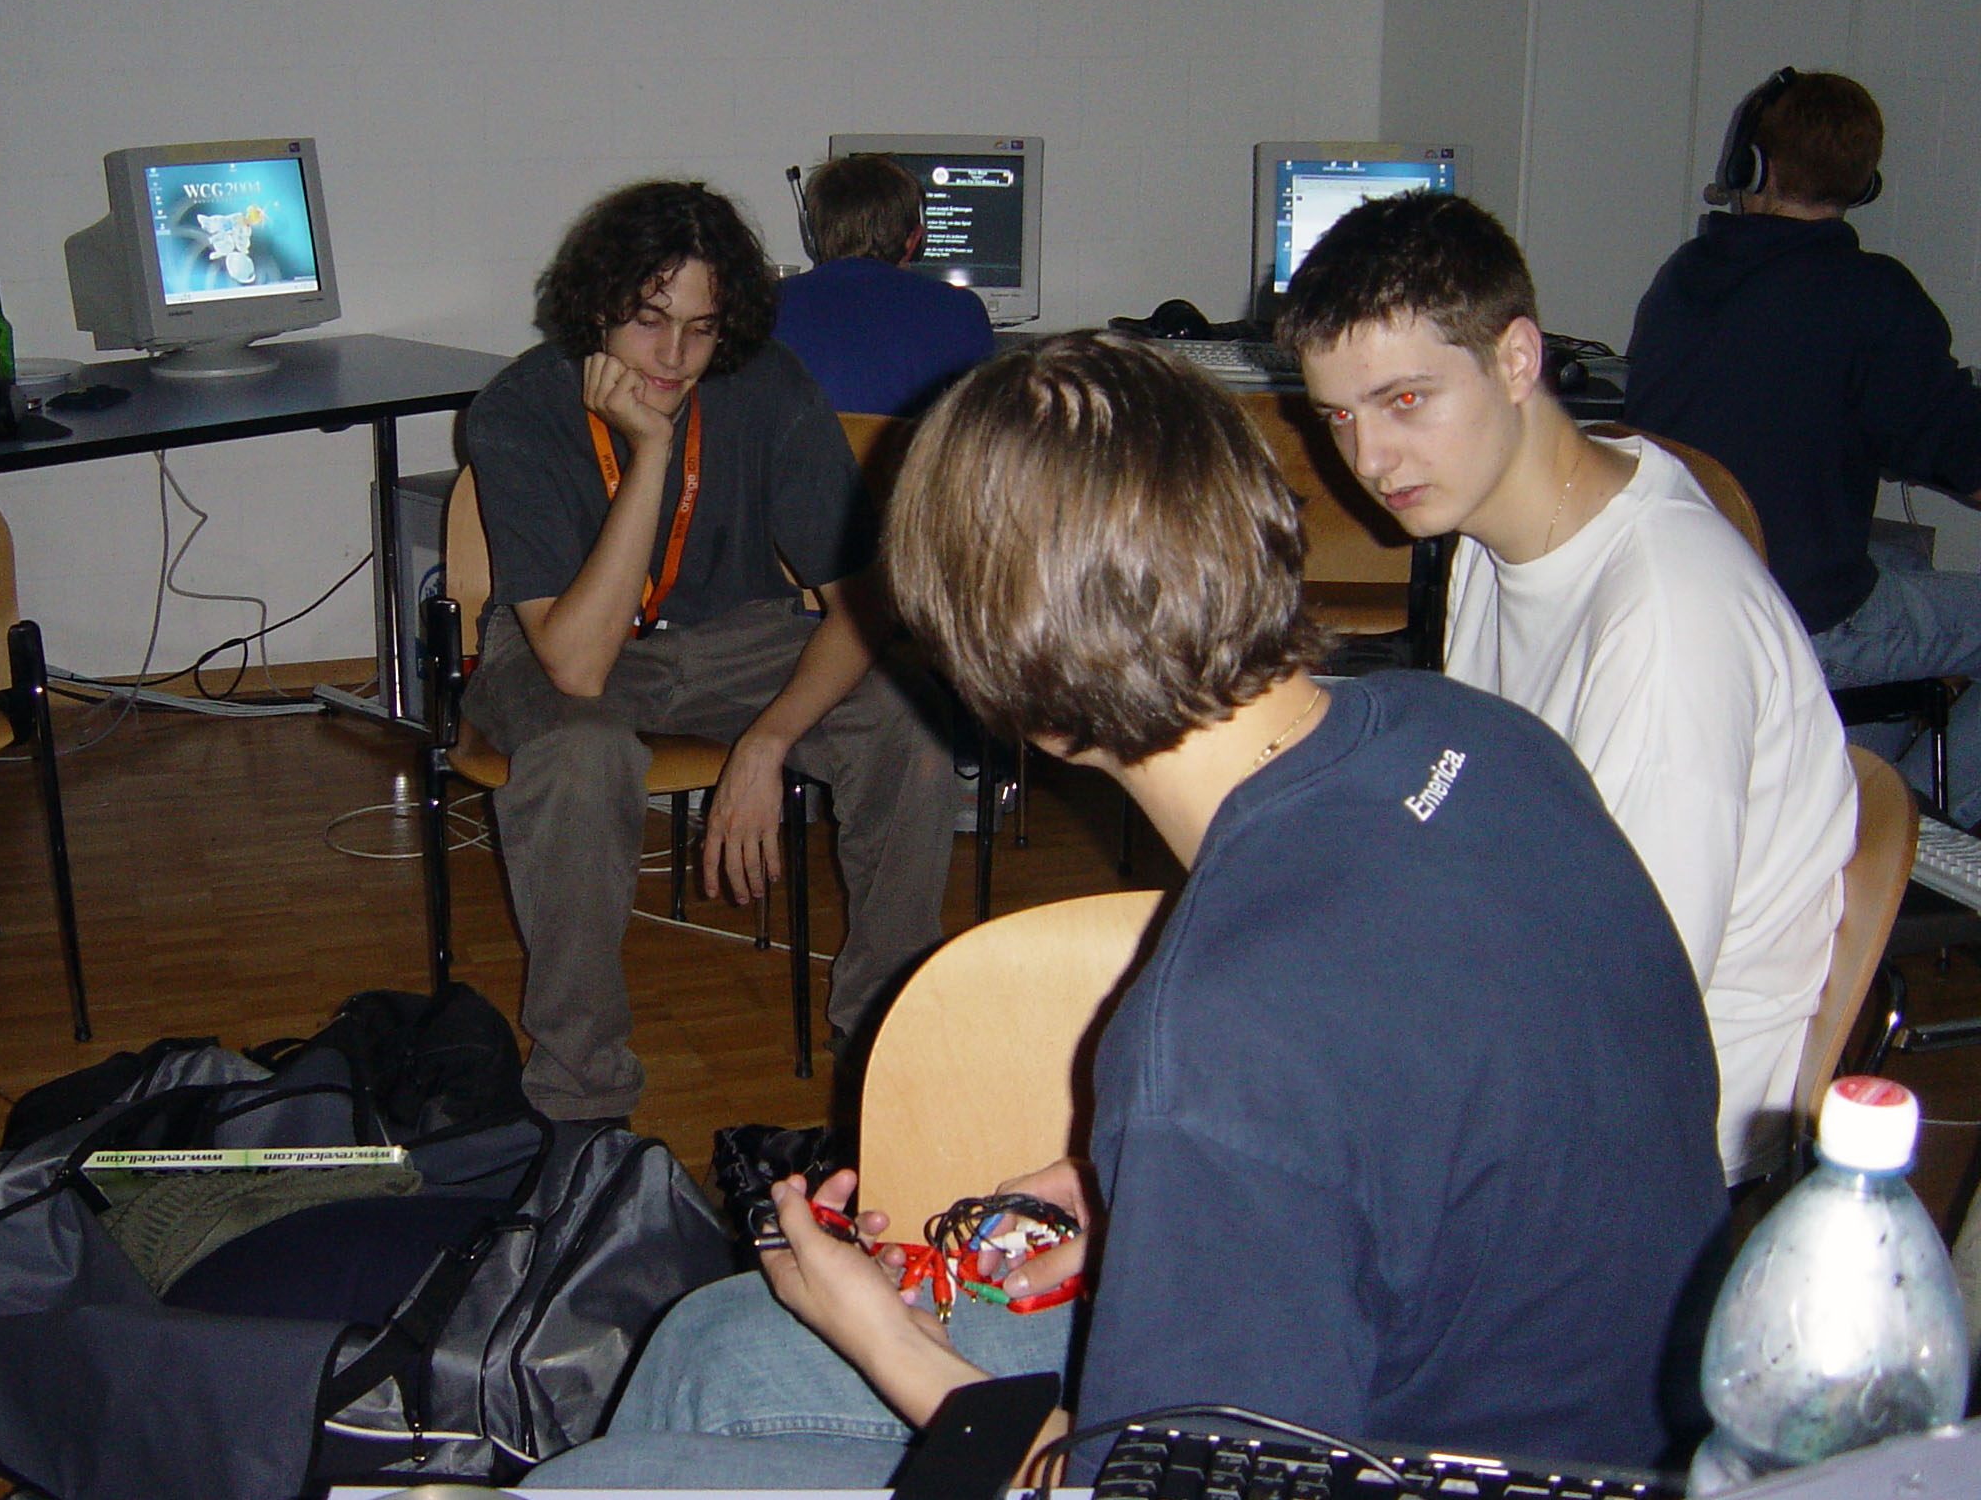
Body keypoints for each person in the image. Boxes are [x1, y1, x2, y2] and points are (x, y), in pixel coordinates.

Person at [525, 332, 1727, 1488]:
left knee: (592, 1486)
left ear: (1012, 692)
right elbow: (1415, 1115)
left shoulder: (1217, 1027)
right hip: (1582, 1404)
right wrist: (1153, 1195)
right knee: (712, 1344)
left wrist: (887, 1343)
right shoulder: (1478, 737)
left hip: (1437, 1468)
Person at [1276, 190, 1855, 1184]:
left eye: (1404, 401)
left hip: (1634, 1132)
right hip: (1529, 1017)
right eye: (1340, 417)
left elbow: (1630, 997)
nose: (1368, 459)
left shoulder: (1667, 616)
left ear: (1515, 360)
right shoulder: (1492, 537)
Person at [458, 179, 957, 1122]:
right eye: (648, 321)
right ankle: (582, 1095)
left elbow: (863, 603)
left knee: (911, 730)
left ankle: (882, 1040)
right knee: (580, 757)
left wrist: (767, 743)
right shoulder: (519, 408)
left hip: (739, 639)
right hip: (563, 643)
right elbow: (576, 667)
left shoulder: (765, 383)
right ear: (597, 308)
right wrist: (650, 454)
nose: (674, 357)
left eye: (702, 327)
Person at [1624, 68, 1981, 827]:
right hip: (1802, 627)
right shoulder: (1872, 296)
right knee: (1898, 595)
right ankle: (1909, 831)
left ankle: (1845, 795)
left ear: (1750, 165)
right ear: (1864, 184)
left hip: (1687, 611)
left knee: (1907, 570)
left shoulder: (1682, 277)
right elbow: (1963, 453)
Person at [774, 153, 993, 416]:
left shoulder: (766, 305)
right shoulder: (961, 310)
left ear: (811, 237)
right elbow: (980, 426)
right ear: (915, 240)